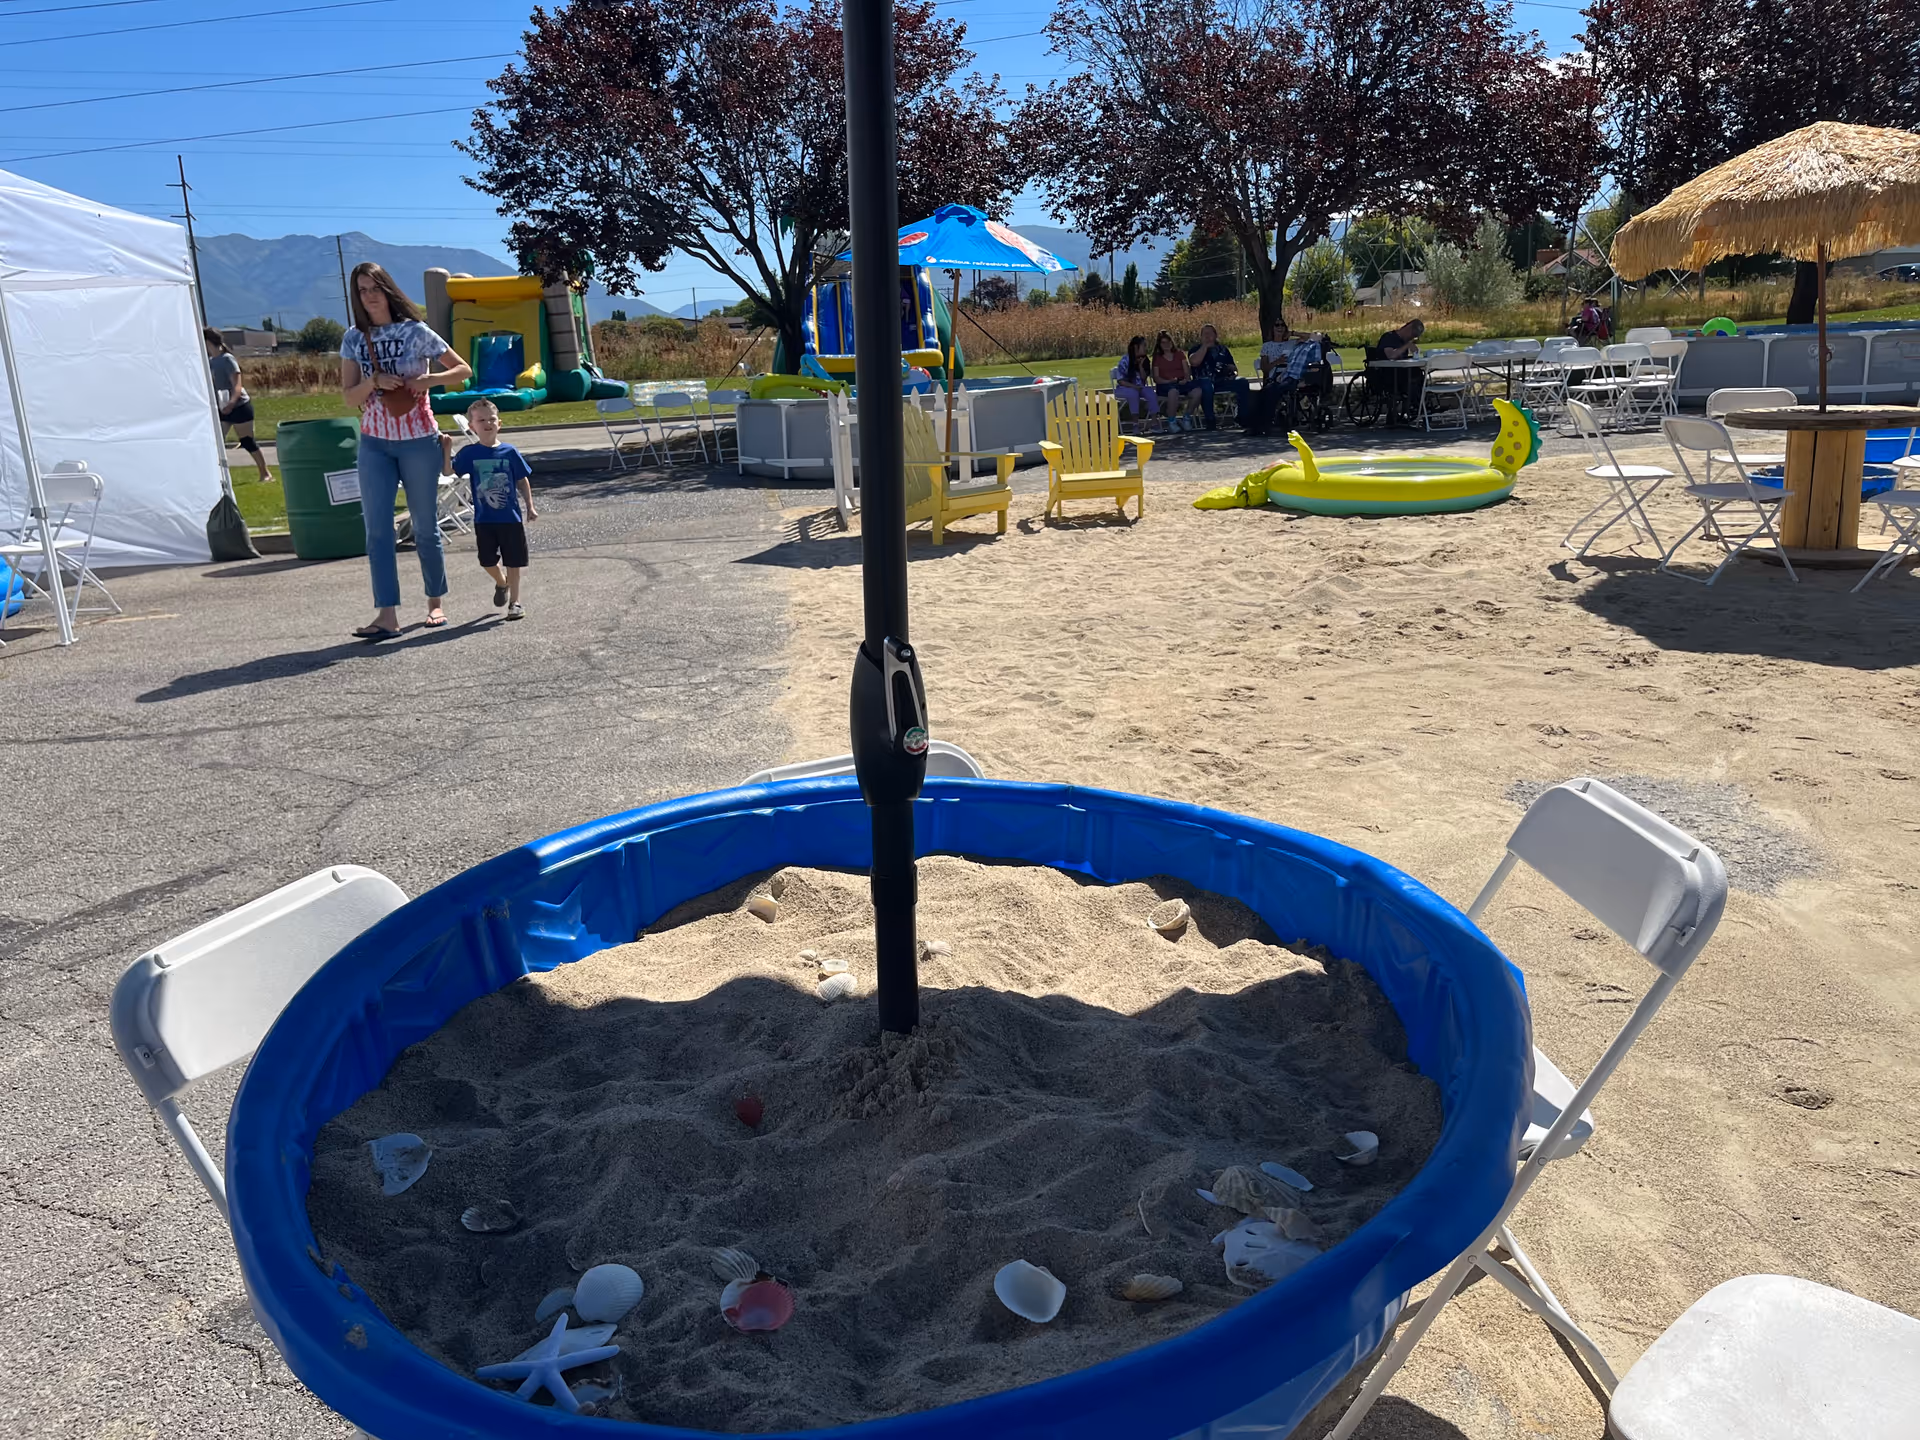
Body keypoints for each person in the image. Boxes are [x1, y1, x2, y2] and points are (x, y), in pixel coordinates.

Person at [338, 262, 471, 639]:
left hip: (418, 440)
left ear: (388, 290)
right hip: (375, 443)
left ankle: (435, 603)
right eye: (362, 290)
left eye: (375, 287)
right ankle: (387, 615)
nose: (369, 295)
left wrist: (429, 378)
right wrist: (373, 381)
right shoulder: (352, 338)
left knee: (425, 528)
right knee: (377, 531)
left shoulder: (415, 331)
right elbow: (349, 397)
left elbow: (463, 370)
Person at [444, 398, 537, 620]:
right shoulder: (469, 453)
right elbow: (449, 472)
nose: (487, 423)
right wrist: (446, 448)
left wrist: (530, 507)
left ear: (499, 423)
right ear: (472, 426)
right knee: (487, 560)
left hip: (510, 518)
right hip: (484, 519)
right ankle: (501, 582)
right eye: (481, 420)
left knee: (514, 560)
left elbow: (522, 480)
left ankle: (515, 602)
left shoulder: (509, 451)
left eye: (491, 419)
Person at [204, 326, 270, 483]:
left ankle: (265, 473)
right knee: (216, 441)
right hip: (222, 406)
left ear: (209, 341)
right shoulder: (210, 362)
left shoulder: (227, 359)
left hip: (239, 406)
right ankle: (217, 478)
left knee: (247, 441)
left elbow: (237, 386)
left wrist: (232, 403)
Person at [1187, 324, 1245, 430]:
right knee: (1207, 385)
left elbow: (1234, 368)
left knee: (1243, 382)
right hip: (1203, 383)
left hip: (1222, 381)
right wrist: (1205, 347)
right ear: (1200, 337)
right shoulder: (1195, 349)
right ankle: (1210, 420)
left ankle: (1242, 417)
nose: (1207, 336)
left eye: (1210, 333)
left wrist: (1231, 371)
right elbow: (1194, 362)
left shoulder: (1222, 349)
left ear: (1215, 335)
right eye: (1205, 334)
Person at [1152, 330, 1204, 431]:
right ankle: (1172, 421)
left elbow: (1187, 371)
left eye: (1168, 342)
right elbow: (1156, 378)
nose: (1166, 345)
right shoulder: (1157, 358)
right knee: (1173, 392)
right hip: (1165, 384)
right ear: (1160, 345)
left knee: (1198, 391)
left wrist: (1185, 379)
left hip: (1180, 382)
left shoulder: (1179, 354)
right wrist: (1168, 381)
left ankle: (1187, 416)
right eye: (1163, 343)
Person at [1111, 335, 1161, 423]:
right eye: (1144, 345)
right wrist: (1134, 386)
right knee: (1133, 393)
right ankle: (1135, 423)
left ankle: (1154, 421)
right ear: (1135, 346)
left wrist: (1141, 366)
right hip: (1125, 388)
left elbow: (1143, 378)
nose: (1146, 348)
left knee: (1150, 393)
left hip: (1140, 387)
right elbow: (1121, 381)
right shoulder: (1125, 360)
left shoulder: (1145, 360)